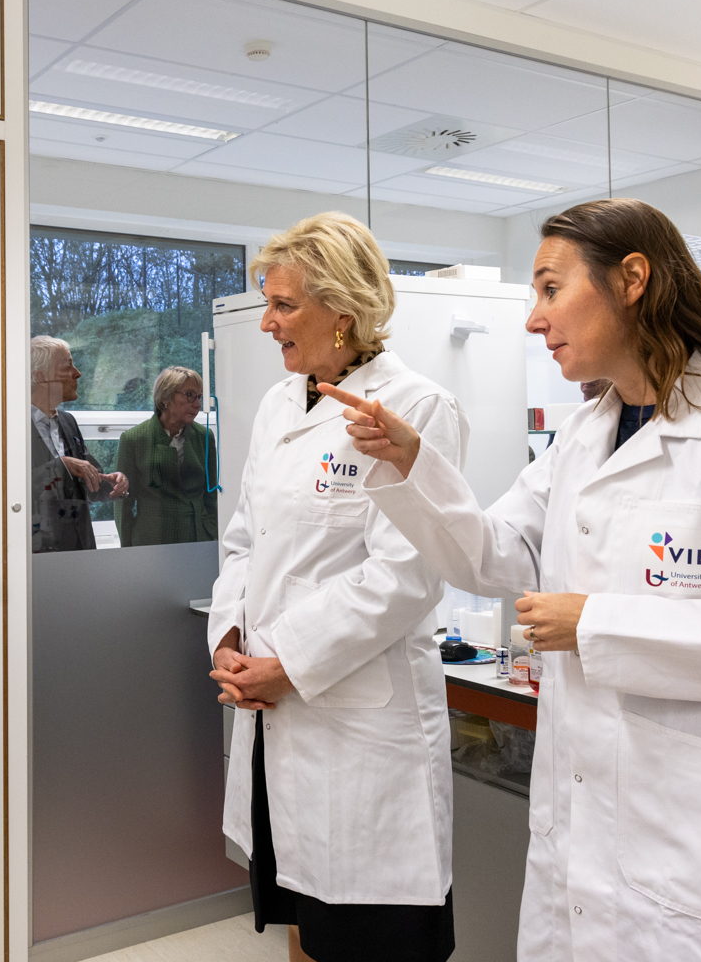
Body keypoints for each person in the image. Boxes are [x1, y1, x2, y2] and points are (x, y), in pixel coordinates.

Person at [322, 198, 701, 961]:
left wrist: (599, 626)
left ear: (633, 278)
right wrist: (414, 466)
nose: (534, 320)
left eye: (550, 289)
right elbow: (494, 555)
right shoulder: (581, 436)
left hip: (698, 850)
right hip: (581, 837)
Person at [207, 212, 468, 962]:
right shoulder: (281, 404)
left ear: (342, 314)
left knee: (367, 934)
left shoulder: (415, 409)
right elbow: (245, 541)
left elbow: (407, 576)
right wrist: (230, 638)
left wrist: (286, 661)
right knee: (305, 924)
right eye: (268, 301)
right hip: (274, 712)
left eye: (284, 304)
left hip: (358, 727)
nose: (266, 323)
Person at [30, 335, 129, 552]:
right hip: (36, 554)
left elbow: (88, 483)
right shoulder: (12, 429)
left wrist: (109, 483)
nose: (78, 373)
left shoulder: (68, 422)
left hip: (79, 550)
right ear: (39, 376)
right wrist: (61, 465)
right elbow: (12, 491)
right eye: (68, 365)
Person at [115, 365, 219, 547]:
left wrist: (212, 534)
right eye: (189, 395)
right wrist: (128, 548)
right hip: (152, 541)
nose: (196, 404)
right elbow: (123, 502)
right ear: (165, 398)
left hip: (198, 538)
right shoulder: (133, 439)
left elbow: (211, 496)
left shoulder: (205, 436)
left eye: (199, 397)